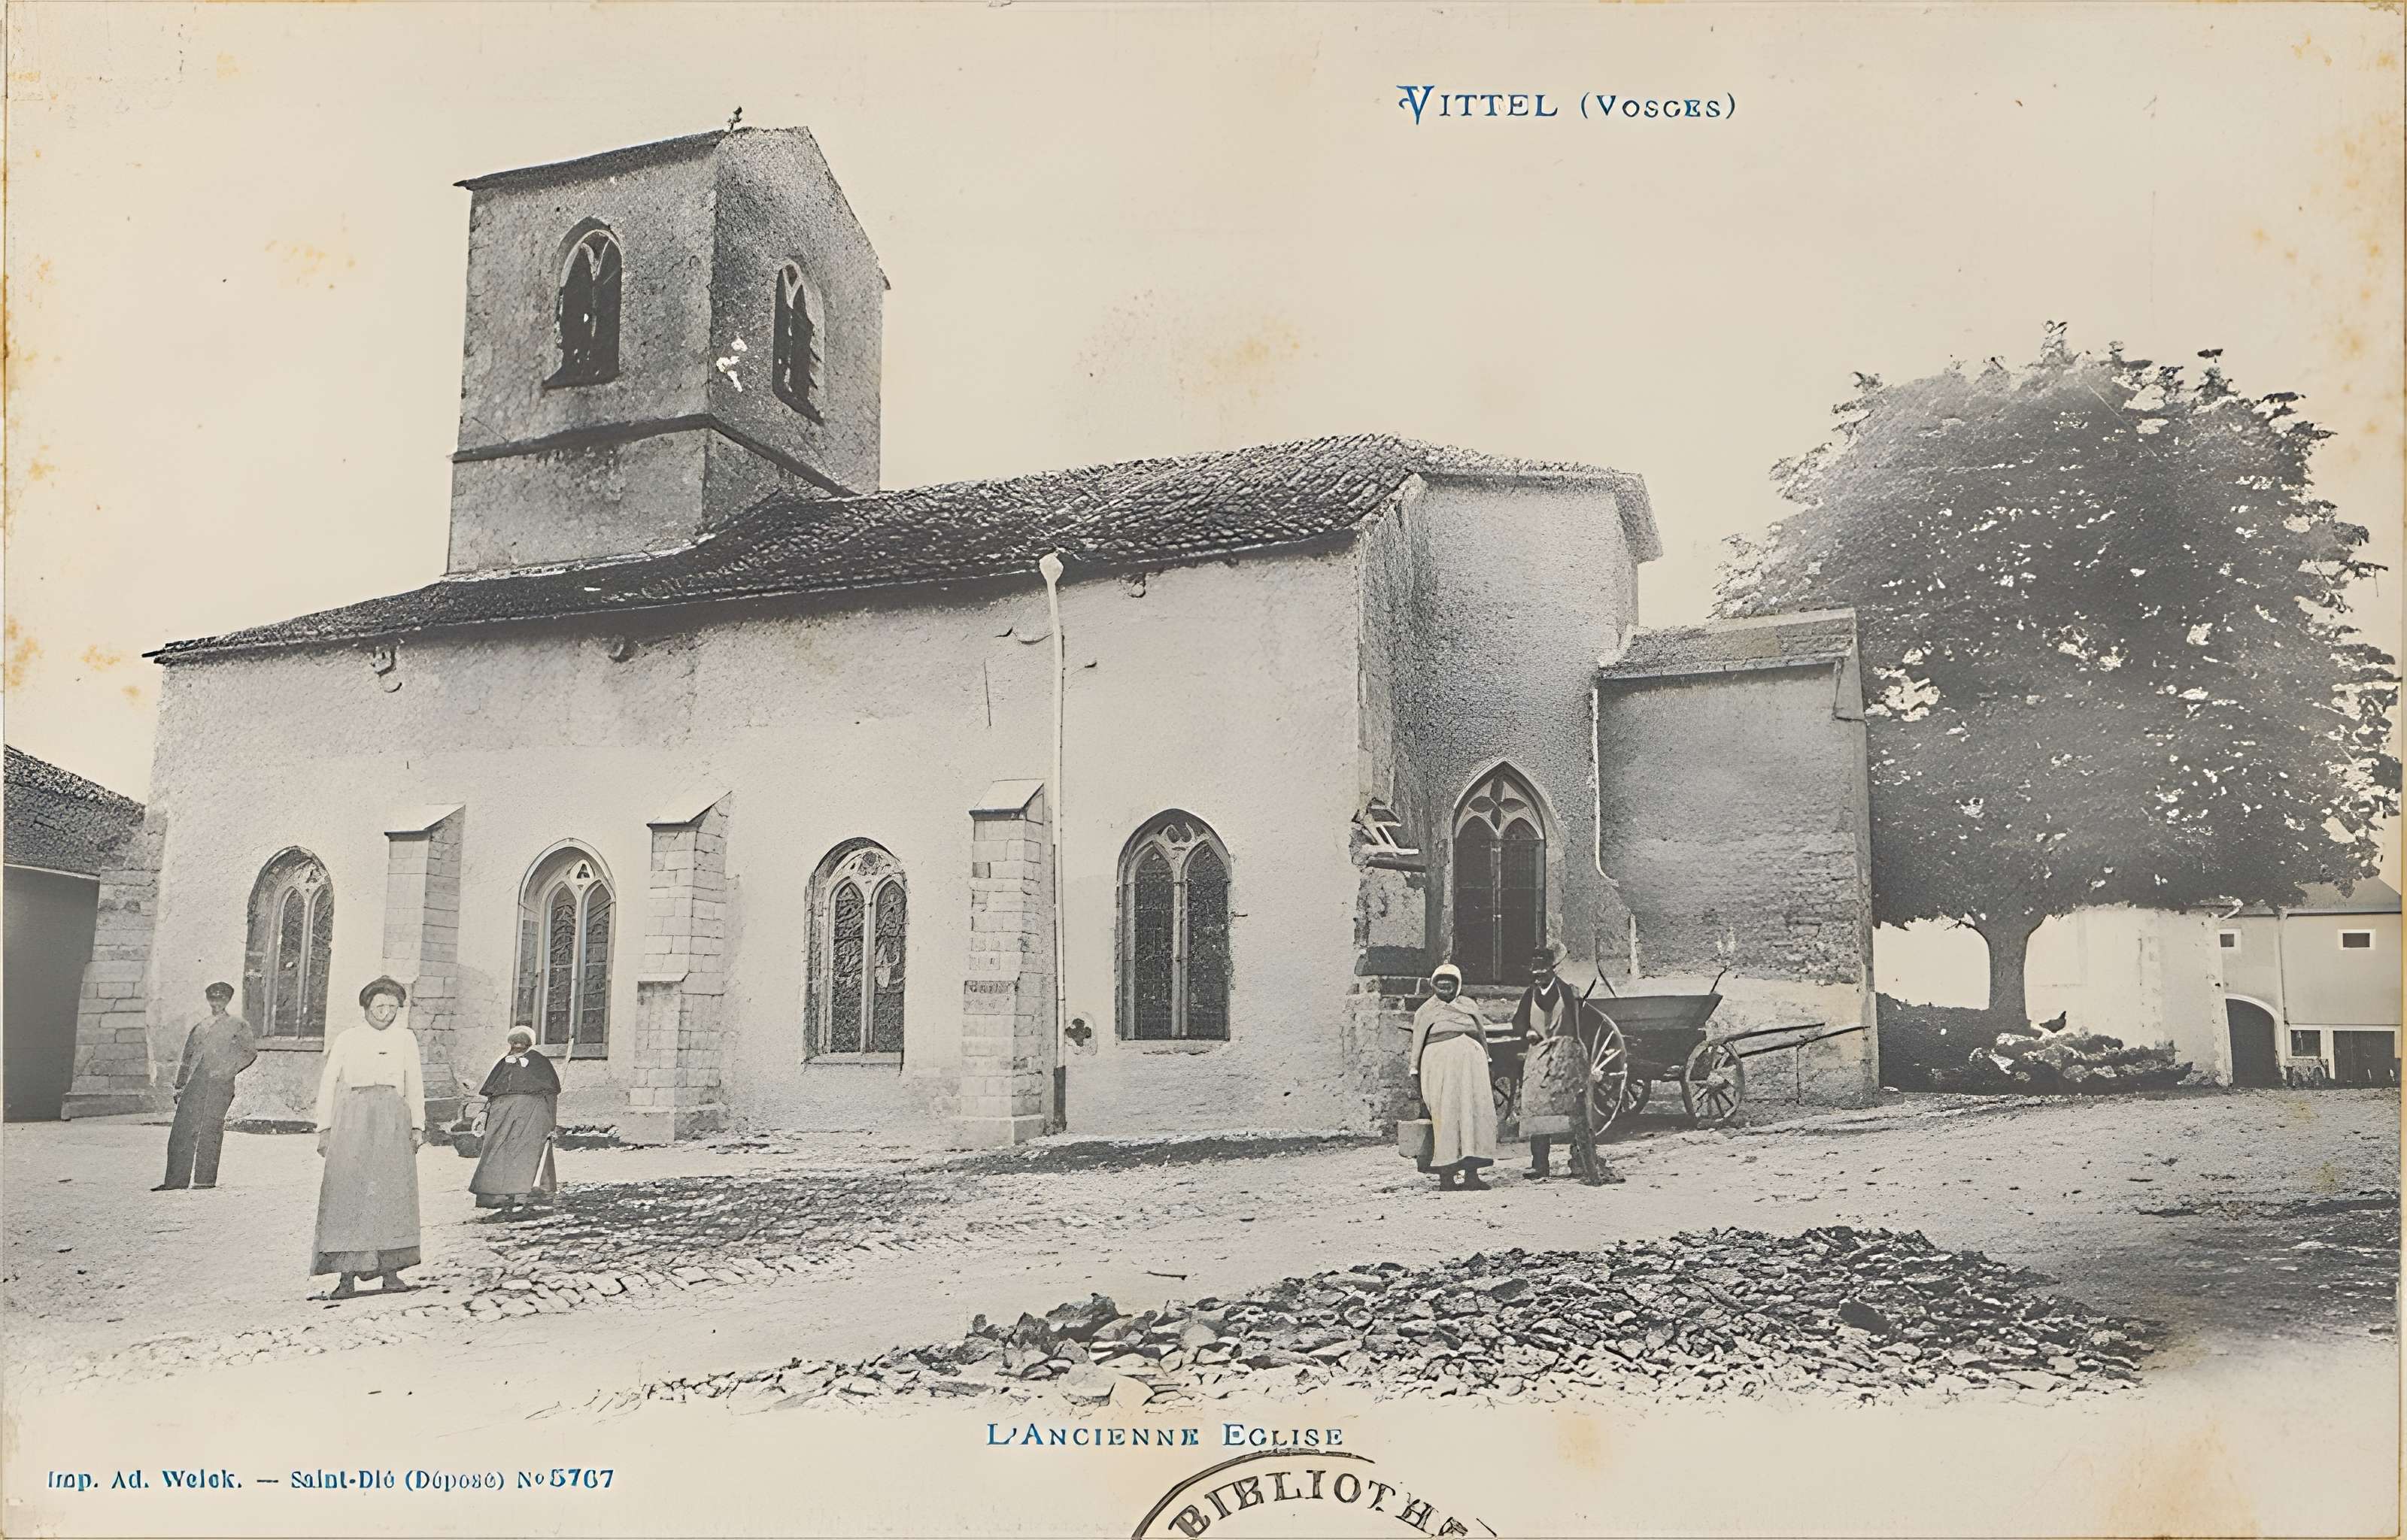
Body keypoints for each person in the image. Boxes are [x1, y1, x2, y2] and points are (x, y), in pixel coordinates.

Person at [309, 976, 426, 1299]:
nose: (385, 1013)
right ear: (366, 1007)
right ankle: (345, 1277)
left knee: (391, 1192)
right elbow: (329, 1083)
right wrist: (324, 1127)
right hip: (353, 1120)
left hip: (392, 1119)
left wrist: (418, 1126)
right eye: (379, 1006)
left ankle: (391, 1272)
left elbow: (414, 1083)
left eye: (392, 1007)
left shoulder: (405, 1039)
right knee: (348, 1192)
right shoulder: (348, 1039)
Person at [1513, 945, 1622, 1185]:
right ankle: (1540, 1165)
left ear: (1553, 969)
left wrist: (1584, 1058)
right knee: (1537, 1110)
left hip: (1566, 1057)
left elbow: (1586, 1026)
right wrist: (1528, 1031)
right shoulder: (1528, 995)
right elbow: (1517, 1023)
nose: (1539, 976)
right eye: (1535, 973)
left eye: (1543, 972)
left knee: (1574, 1109)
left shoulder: (1569, 993)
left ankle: (1582, 1160)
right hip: (1539, 1058)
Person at [153, 982, 258, 1191]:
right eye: (213, 999)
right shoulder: (201, 1026)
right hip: (196, 1082)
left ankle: (204, 1180)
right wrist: (180, 1085)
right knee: (182, 1128)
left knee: (210, 1127)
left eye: (221, 999)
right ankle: (175, 1181)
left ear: (228, 1000)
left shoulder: (238, 1025)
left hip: (220, 1084)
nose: (216, 1003)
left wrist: (227, 1071)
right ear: (208, 1000)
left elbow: (249, 1052)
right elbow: (187, 1057)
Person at [1407, 963, 1498, 1192]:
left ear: (1458, 985)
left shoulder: (1470, 1006)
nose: (1445, 988)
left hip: (1472, 1070)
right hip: (1440, 1069)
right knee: (1446, 1116)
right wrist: (1415, 1073)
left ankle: (1472, 1175)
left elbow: (1482, 1036)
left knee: (1473, 1117)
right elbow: (1417, 1045)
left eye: (1450, 983)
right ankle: (1446, 1177)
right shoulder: (1425, 1011)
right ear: (1434, 985)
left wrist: (1486, 1060)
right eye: (1440, 983)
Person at [469, 1029, 560, 1217]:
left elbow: (551, 1094)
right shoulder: (503, 1062)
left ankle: (523, 1195)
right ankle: (496, 1195)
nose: (517, 1047)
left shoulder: (540, 1062)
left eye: (521, 1043)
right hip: (501, 1114)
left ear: (529, 1044)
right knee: (497, 1150)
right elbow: (492, 1093)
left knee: (526, 1152)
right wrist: (484, 1113)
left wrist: (551, 1122)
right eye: (514, 1044)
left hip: (532, 1113)